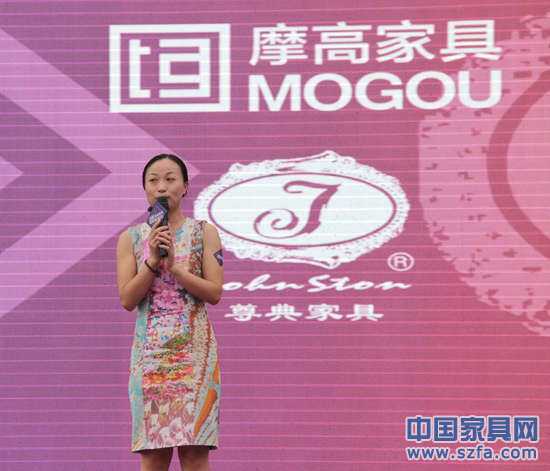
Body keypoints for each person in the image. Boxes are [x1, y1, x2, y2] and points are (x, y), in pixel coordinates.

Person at [116, 153, 223, 471]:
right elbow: (127, 299)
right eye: (153, 180)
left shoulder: (204, 232)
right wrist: (152, 261)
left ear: (185, 187)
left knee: (194, 452)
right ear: (145, 190)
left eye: (170, 179)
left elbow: (214, 293)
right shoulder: (131, 238)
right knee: (153, 454)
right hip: (150, 358)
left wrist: (176, 268)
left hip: (196, 356)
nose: (161, 186)